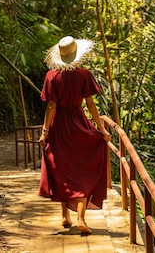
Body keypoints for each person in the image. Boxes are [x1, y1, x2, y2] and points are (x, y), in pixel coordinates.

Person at [38, 35, 111, 235]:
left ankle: (65, 216)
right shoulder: (84, 74)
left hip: (59, 127)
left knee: (62, 170)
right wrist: (102, 129)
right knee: (81, 171)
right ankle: (80, 218)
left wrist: (45, 131)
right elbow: (90, 104)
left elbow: (51, 106)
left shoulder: (51, 76)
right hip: (79, 124)